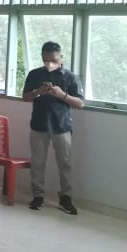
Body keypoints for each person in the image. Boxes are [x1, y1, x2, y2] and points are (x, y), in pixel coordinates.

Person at [23, 41, 83, 215]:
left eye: (53, 60)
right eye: (46, 60)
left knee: (65, 164)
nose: (50, 63)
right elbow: (25, 97)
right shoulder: (35, 74)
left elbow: (80, 103)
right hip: (39, 125)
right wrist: (37, 92)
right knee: (37, 163)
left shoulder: (70, 77)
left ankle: (66, 198)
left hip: (61, 126)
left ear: (61, 57)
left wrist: (61, 95)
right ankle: (38, 196)